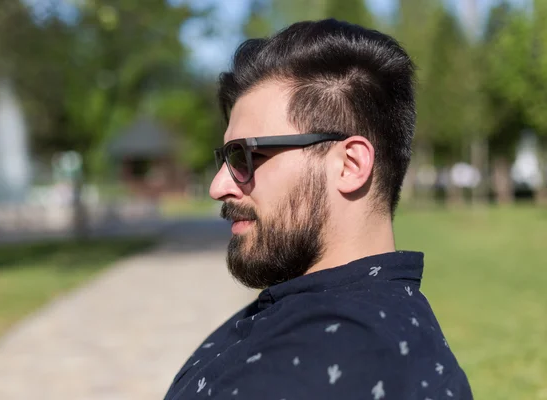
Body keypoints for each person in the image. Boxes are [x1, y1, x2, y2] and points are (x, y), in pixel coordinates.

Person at [164, 19, 473, 400]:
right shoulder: (371, 325)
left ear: (350, 165)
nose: (218, 186)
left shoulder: (328, 365)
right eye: (225, 158)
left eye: (244, 156)